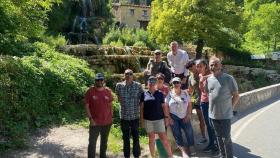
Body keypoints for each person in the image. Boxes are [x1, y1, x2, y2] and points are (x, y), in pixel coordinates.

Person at [206, 57, 240, 158]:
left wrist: (230, 107)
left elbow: (236, 95)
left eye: (216, 64)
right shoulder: (208, 79)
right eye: (211, 64)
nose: (213, 66)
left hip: (225, 115)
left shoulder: (228, 78)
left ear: (221, 66)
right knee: (218, 137)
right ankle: (222, 155)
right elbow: (209, 95)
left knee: (226, 139)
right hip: (213, 115)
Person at [140, 76, 173, 158]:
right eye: (150, 82)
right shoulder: (143, 94)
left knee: (164, 139)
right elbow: (141, 108)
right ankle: (153, 156)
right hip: (148, 120)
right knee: (151, 139)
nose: (151, 84)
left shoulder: (160, 93)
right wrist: (142, 121)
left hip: (159, 120)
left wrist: (166, 118)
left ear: (156, 83)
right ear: (147, 83)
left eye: (153, 82)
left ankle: (170, 156)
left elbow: (164, 106)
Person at [115, 69, 144, 158]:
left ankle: (136, 155)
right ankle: (126, 156)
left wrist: (142, 116)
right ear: (124, 75)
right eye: (126, 74)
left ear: (133, 75)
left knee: (136, 137)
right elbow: (118, 98)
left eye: (130, 74)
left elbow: (142, 101)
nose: (128, 75)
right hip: (124, 116)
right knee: (125, 138)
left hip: (135, 116)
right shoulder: (119, 86)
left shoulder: (138, 86)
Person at [85, 73, 113, 158]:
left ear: (104, 81)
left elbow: (111, 105)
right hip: (95, 122)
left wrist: (111, 117)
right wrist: (91, 119)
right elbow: (86, 106)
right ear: (95, 81)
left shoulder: (108, 91)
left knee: (104, 143)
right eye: (98, 80)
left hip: (107, 122)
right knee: (92, 143)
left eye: (101, 80)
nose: (99, 81)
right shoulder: (90, 91)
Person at [166, 77, 196, 158]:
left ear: (180, 84)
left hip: (184, 116)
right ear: (172, 84)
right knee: (177, 134)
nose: (176, 84)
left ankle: (191, 146)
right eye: (174, 82)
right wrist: (169, 118)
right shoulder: (169, 94)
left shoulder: (185, 93)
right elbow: (166, 107)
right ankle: (183, 151)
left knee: (189, 131)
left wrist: (189, 115)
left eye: (178, 82)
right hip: (174, 117)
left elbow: (189, 105)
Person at [196, 59, 218, 153]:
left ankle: (216, 145)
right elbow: (202, 90)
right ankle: (211, 144)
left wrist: (205, 78)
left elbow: (217, 74)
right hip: (203, 102)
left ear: (205, 65)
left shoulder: (211, 74)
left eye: (200, 66)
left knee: (213, 125)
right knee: (208, 125)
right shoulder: (200, 75)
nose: (199, 68)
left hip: (211, 102)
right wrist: (201, 81)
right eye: (197, 66)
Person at [186, 60, 207, 145]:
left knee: (210, 120)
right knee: (201, 120)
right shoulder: (190, 77)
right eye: (189, 69)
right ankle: (204, 137)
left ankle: (215, 138)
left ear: (195, 65)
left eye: (192, 67)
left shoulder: (202, 73)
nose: (191, 70)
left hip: (208, 100)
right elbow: (190, 91)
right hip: (198, 101)